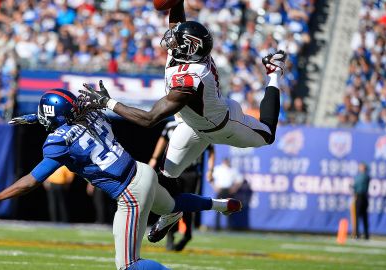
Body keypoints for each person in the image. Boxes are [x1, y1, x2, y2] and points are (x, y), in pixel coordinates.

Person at [78, 0, 285, 243]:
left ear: (190, 48)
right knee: (164, 177)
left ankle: (274, 73)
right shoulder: (185, 53)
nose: (171, 40)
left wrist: (108, 103)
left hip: (223, 127)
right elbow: (178, 22)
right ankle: (172, 214)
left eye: (177, 40)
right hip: (191, 125)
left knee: (268, 135)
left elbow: (149, 119)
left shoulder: (191, 79)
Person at [0, 89, 242, 270]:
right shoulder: (93, 113)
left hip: (129, 192)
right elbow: (70, 113)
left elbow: (31, 181)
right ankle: (219, 204)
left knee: (128, 265)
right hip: (141, 170)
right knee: (171, 206)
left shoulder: (57, 142)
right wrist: (35, 118)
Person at [149, 120, 215, 251]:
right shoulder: (171, 126)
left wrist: (210, 169)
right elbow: (162, 141)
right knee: (170, 203)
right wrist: (154, 158)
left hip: (191, 172)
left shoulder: (199, 124)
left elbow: (211, 149)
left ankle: (187, 234)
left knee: (187, 206)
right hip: (173, 172)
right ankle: (170, 235)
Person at [211, 158, 244, 230]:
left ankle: (229, 227)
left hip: (228, 190)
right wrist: (214, 186)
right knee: (217, 207)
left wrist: (234, 188)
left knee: (230, 208)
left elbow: (240, 180)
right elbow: (210, 177)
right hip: (220, 190)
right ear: (223, 162)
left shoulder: (232, 170)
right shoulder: (218, 169)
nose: (226, 163)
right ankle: (216, 227)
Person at [353, 162, 370, 240]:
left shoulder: (364, 176)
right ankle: (358, 234)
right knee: (359, 217)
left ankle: (364, 234)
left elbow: (356, 185)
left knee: (363, 217)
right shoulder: (361, 176)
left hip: (362, 197)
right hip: (360, 197)